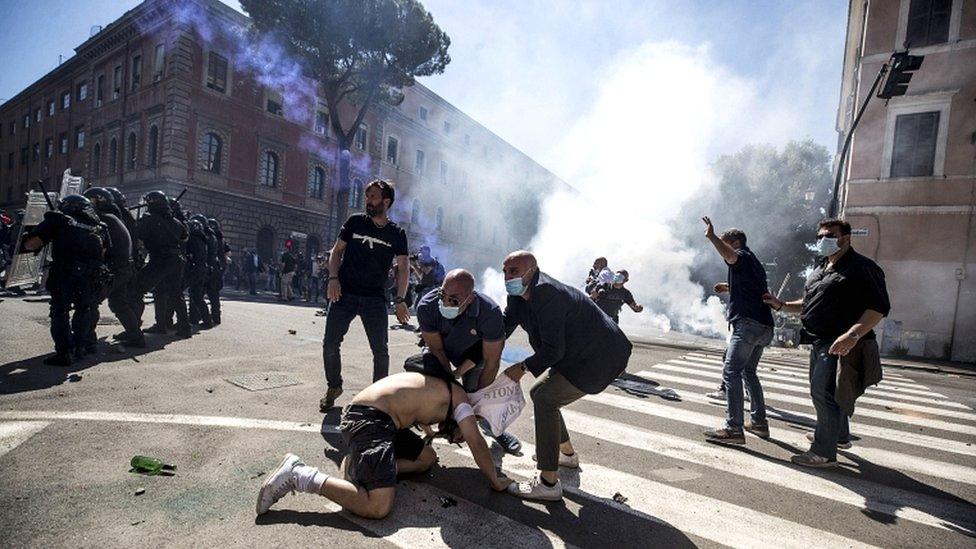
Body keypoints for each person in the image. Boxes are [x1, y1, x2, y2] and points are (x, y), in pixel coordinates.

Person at [256, 371, 513, 519]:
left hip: (382, 420)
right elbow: (477, 443)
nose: (462, 436)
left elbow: (415, 408)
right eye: (475, 420)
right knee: (377, 507)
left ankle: (361, 466)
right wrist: (495, 480)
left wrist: (432, 431)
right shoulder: (462, 403)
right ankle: (300, 475)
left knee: (427, 458)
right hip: (369, 420)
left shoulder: (446, 391)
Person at [501, 251, 632, 501]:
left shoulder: (546, 293)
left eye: (514, 272)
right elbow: (504, 326)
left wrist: (521, 368)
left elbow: (553, 350)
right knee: (539, 392)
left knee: (546, 399)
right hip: (576, 353)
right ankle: (567, 456)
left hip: (599, 357)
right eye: (505, 272)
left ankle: (548, 483)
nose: (508, 277)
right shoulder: (517, 295)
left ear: (532, 270)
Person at [763, 218, 890, 467]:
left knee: (822, 392)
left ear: (846, 238)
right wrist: (782, 305)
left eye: (829, 235)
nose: (823, 240)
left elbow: (878, 307)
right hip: (819, 340)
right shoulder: (822, 267)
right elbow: (810, 302)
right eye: (820, 236)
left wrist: (852, 335)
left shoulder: (862, 267)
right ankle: (839, 436)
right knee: (833, 391)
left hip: (841, 342)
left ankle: (823, 452)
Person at [411, 268, 523, 454]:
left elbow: (491, 361)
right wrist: (451, 382)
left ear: (470, 298)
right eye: (443, 295)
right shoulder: (427, 305)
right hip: (440, 350)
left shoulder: (489, 312)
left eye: (453, 299)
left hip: (473, 355)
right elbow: (436, 349)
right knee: (432, 390)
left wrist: (478, 399)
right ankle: (429, 430)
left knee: (477, 394)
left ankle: (494, 430)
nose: (446, 303)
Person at [321, 180, 411, 412]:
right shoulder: (354, 222)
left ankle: (377, 400)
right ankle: (334, 387)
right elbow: (336, 252)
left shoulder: (397, 233)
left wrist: (400, 300)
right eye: (367, 196)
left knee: (380, 351)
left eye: (373, 196)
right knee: (331, 343)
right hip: (344, 294)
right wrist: (333, 278)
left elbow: (404, 267)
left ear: (386, 201)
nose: (368, 201)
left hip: (374, 299)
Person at [699, 218, 774, 445]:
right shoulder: (754, 263)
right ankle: (759, 422)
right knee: (748, 372)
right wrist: (729, 286)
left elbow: (731, 256)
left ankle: (734, 428)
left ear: (736, 242)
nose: (723, 251)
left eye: (726, 243)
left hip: (748, 325)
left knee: (731, 372)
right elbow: (753, 289)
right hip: (763, 326)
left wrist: (712, 237)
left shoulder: (741, 256)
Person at [22, 195, 109, 365]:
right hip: (91, 276)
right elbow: (104, 252)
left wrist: (29, 234)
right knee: (84, 309)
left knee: (60, 312)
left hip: (65, 274)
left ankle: (65, 353)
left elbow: (31, 244)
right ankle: (80, 348)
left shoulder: (58, 219)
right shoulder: (100, 226)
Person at [82, 187, 145, 348]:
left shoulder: (104, 219)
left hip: (116, 267)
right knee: (118, 303)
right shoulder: (117, 216)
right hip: (125, 267)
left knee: (91, 300)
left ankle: (86, 341)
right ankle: (135, 336)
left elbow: (99, 246)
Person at [137, 191, 191, 338]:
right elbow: (185, 237)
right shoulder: (176, 222)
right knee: (175, 294)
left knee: (137, 288)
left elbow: (138, 237)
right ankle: (184, 328)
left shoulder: (149, 219)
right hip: (176, 260)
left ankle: (134, 329)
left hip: (160, 259)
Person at [184, 216, 214, 329]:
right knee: (198, 297)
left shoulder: (194, 239)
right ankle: (207, 321)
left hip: (195, 270)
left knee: (177, 293)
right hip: (202, 270)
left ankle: (183, 322)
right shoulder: (204, 238)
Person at [206, 218, 229, 324]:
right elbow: (227, 254)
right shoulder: (222, 239)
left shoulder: (210, 237)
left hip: (210, 267)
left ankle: (198, 315)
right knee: (214, 294)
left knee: (199, 292)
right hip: (219, 268)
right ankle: (216, 316)